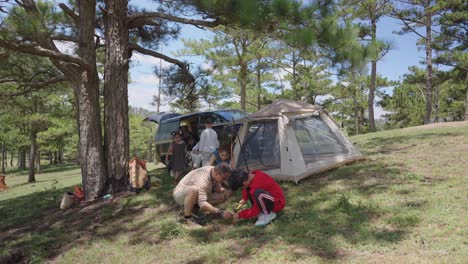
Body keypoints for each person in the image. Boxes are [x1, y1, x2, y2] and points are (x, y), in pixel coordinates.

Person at [173, 164, 233, 228]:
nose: (225, 180)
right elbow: (202, 203)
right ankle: (187, 219)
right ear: (216, 174)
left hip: (197, 193)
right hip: (180, 193)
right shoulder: (203, 179)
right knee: (193, 189)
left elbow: (219, 188)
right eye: (224, 178)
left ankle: (195, 211)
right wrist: (220, 211)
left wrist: (228, 191)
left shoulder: (214, 171)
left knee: (221, 197)